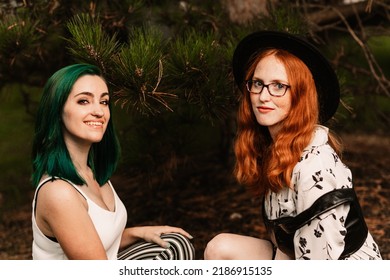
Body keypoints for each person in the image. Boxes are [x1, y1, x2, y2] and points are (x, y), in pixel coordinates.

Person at [204, 31, 382, 260]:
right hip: (297, 258)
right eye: (258, 83)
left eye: (278, 86)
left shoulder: (314, 166)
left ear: (300, 95)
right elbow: (287, 246)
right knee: (219, 249)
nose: (263, 96)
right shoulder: (277, 148)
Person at [31, 63, 195, 260]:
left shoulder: (93, 174)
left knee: (174, 244)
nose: (99, 112)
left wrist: (138, 232)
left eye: (104, 102)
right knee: (176, 249)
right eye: (84, 101)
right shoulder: (58, 192)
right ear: (57, 111)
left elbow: (97, 241)